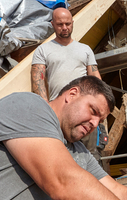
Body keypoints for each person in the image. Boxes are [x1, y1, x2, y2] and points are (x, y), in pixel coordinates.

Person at [0, 76, 127, 200]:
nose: (94, 124)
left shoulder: (80, 152)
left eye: (99, 121)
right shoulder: (29, 105)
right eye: (93, 111)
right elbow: (64, 182)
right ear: (72, 94)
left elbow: (118, 191)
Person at [31, 7, 103, 162]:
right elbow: (37, 80)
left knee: (91, 154)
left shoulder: (85, 49)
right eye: (60, 24)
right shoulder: (43, 50)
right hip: (60, 114)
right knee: (61, 156)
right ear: (52, 24)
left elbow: (96, 80)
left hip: (86, 112)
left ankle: (96, 185)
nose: (64, 27)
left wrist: (100, 109)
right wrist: (46, 108)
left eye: (68, 23)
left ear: (72, 23)